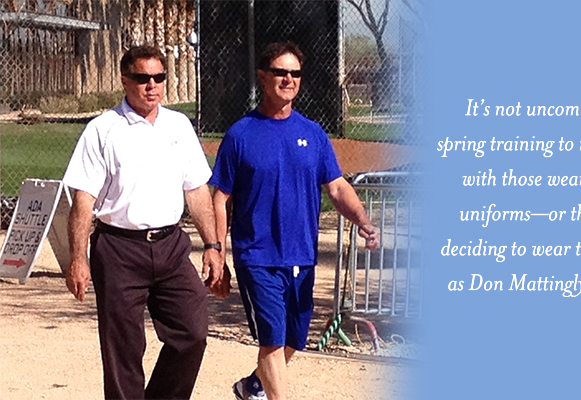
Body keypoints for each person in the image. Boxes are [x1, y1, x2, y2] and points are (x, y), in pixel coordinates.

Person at [210, 41, 381, 400]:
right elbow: (220, 197)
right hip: (257, 256)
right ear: (263, 76)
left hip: (301, 255)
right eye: (280, 72)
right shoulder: (241, 134)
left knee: (292, 341)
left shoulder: (314, 133)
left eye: (295, 73)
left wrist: (362, 219)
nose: (288, 79)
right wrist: (217, 251)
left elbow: (336, 187)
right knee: (272, 341)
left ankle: (251, 387)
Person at [63, 45, 225, 400]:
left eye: (159, 77)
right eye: (142, 78)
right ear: (125, 80)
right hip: (119, 248)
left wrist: (213, 245)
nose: (151, 85)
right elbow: (83, 200)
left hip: (170, 245)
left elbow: (196, 191)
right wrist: (78, 259)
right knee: (123, 349)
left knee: (192, 332)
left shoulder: (179, 126)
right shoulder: (102, 130)